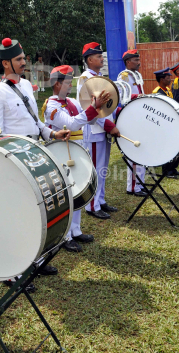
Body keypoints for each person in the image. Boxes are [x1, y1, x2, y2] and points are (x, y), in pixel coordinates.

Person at [0, 37, 70, 290]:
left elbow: (36, 122)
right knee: (13, 215)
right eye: (19, 59)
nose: (24, 62)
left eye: (23, 58)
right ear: (6, 62)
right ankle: (12, 273)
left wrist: (52, 134)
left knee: (35, 212)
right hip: (13, 159)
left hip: (34, 154)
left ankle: (36, 261)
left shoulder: (28, 87)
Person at [44, 65, 110, 252]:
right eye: (67, 82)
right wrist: (92, 109)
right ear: (57, 84)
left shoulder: (71, 101)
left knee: (77, 188)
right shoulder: (52, 106)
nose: (70, 85)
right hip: (62, 152)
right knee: (66, 193)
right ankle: (64, 236)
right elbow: (72, 124)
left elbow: (87, 119)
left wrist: (95, 108)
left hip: (77, 148)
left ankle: (75, 230)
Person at [77, 42, 120, 220]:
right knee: (95, 169)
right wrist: (107, 124)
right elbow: (88, 107)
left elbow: (108, 104)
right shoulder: (85, 79)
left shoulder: (99, 76)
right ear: (89, 59)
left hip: (103, 129)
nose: (102, 58)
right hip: (95, 129)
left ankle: (100, 200)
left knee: (102, 168)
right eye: (99, 56)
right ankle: (92, 206)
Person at [117, 49, 147, 197]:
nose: (138, 62)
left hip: (140, 114)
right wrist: (137, 96)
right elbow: (122, 94)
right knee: (135, 152)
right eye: (135, 59)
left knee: (142, 148)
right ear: (128, 62)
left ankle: (140, 183)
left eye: (138, 59)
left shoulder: (137, 75)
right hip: (131, 115)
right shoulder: (124, 76)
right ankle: (133, 187)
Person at [152, 67, 179, 178]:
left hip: (172, 123)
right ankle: (167, 171)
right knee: (167, 148)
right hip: (164, 125)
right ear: (161, 79)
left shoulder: (167, 90)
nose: (170, 80)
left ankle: (173, 168)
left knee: (175, 147)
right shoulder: (157, 92)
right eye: (167, 78)